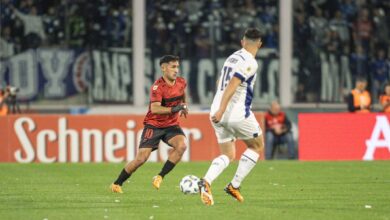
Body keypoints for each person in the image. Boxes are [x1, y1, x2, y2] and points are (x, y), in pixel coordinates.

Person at [198, 28, 264, 206]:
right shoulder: (251, 62)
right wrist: (222, 109)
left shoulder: (232, 57)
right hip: (235, 113)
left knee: (228, 153)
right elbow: (233, 84)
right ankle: (234, 185)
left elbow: (220, 82)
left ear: (243, 41)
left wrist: (218, 109)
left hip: (216, 112)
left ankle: (206, 181)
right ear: (259, 44)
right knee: (257, 146)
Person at [110, 55, 188, 193]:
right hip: (154, 125)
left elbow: (182, 94)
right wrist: (174, 109)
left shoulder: (181, 82)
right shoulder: (157, 87)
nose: (176, 70)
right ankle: (117, 183)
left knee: (181, 146)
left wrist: (184, 105)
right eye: (173, 66)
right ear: (163, 68)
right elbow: (155, 108)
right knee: (141, 158)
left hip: (171, 125)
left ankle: (159, 176)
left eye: (177, 66)